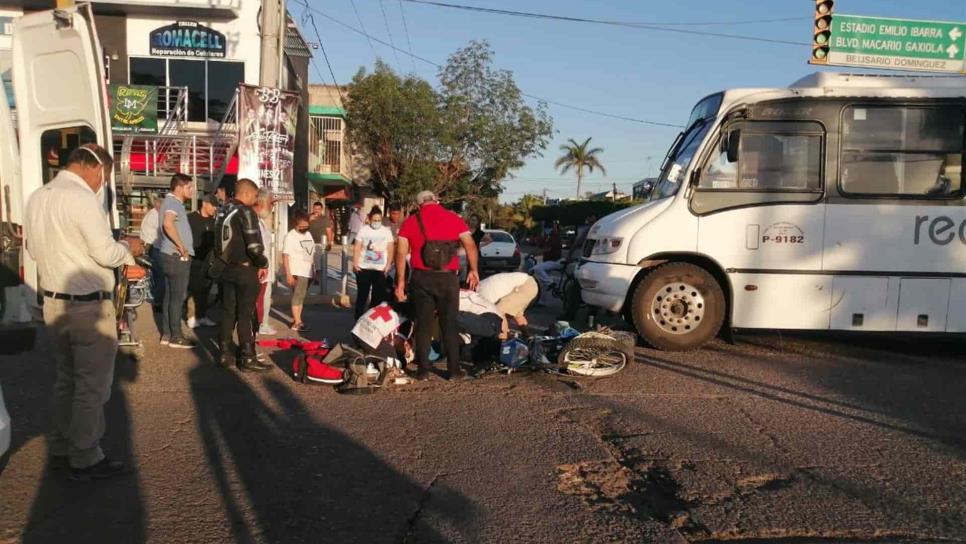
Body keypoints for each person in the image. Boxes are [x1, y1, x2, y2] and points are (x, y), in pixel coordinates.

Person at [24, 143, 145, 480]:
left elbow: (32, 250)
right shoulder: (81, 199)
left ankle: (63, 447)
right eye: (102, 179)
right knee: (92, 387)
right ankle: (86, 455)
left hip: (53, 304)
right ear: (97, 169)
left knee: (66, 381)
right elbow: (105, 253)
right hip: (88, 305)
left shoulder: (38, 196)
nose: (100, 185)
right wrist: (128, 248)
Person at [395, 191, 479, 381]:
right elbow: (470, 245)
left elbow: (400, 253)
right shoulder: (453, 218)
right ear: (437, 201)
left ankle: (423, 370)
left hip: (421, 279)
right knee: (449, 325)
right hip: (447, 279)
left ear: (418, 205)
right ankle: (454, 371)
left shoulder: (410, 222)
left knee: (424, 325)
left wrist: (400, 281)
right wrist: (473, 269)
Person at [215, 178, 271, 372]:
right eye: (255, 196)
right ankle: (247, 357)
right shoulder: (246, 212)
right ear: (247, 194)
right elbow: (254, 247)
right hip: (245, 269)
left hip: (226, 268)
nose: (255, 200)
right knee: (245, 314)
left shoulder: (223, 210)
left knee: (228, 311)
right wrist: (263, 262)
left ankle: (224, 353)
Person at [158, 173, 195, 348]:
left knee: (169, 296)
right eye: (189, 187)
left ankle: (167, 333)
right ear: (179, 187)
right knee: (177, 297)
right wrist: (181, 246)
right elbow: (168, 223)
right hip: (175, 256)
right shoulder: (173, 202)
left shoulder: (171, 202)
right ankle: (176, 336)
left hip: (168, 255)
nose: (192, 190)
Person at [353, 206, 394, 319]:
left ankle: (371, 319)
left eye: (379, 220)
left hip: (379, 269)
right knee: (362, 296)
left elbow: (390, 249)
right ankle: (358, 319)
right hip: (364, 268)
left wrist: (388, 264)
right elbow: (357, 247)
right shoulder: (363, 230)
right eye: (374, 220)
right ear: (370, 219)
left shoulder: (386, 231)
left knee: (377, 297)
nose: (377, 222)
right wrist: (355, 263)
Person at [185, 194, 219, 329]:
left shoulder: (213, 221)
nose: (215, 208)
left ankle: (202, 315)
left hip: (209, 260)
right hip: (194, 260)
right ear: (205, 203)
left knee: (206, 289)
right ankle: (191, 316)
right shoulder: (191, 218)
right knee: (194, 289)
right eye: (213, 205)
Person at [283, 210, 315, 332]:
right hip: (296, 269)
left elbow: (311, 253)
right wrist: (288, 274)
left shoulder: (308, 235)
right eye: (300, 226)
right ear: (295, 224)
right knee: (297, 296)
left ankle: (297, 318)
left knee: (301, 296)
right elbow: (285, 256)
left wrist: (313, 269)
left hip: (307, 270)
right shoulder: (290, 236)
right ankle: (297, 322)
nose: (303, 228)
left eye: (306, 226)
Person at [253, 189, 277, 336]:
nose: (271, 207)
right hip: (260, 270)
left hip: (265, 269)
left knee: (265, 298)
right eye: (270, 204)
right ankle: (260, 324)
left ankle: (263, 322)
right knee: (260, 300)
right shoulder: (254, 222)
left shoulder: (261, 221)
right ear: (261, 203)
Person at [139, 194, 164, 310]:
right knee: (161, 274)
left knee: (157, 274)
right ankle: (159, 302)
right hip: (153, 247)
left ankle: (157, 298)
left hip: (150, 246)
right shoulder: (155, 216)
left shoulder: (153, 214)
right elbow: (162, 233)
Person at [309, 201, 333, 291]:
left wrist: (330, 242)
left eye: (318, 209)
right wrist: (309, 220)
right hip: (309, 242)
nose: (316, 211)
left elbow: (329, 231)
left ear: (321, 210)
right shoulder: (309, 217)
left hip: (320, 243)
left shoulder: (325, 219)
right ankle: (312, 276)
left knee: (318, 262)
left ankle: (317, 278)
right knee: (310, 261)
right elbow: (303, 226)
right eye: (315, 209)